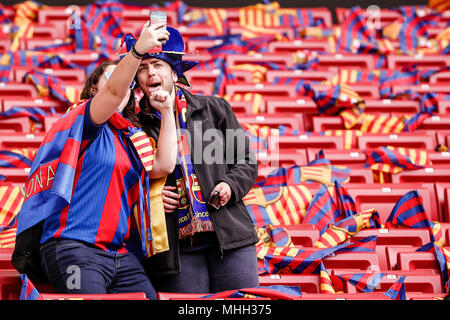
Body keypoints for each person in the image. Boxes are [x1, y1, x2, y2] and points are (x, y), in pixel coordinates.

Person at [13, 22, 176, 299]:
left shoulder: (130, 136)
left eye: (129, 83)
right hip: (73, 248)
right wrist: (136, 52)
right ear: (93, 90)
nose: (124, 85)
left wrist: (168, 110)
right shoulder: (86, 122)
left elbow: (164, 165)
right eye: (114, 78)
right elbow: (112, 93)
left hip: (118, 255)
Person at [120, 26, 260, 293]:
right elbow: (123, 179)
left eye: (158, 65)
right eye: (143, 67)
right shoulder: (132, 124)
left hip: (231, 237)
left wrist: (230, 185)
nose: (150, 73)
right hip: (175, 249)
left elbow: (245, 160)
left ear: (174, 72)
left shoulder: (215, 108)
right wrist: (151, 196)